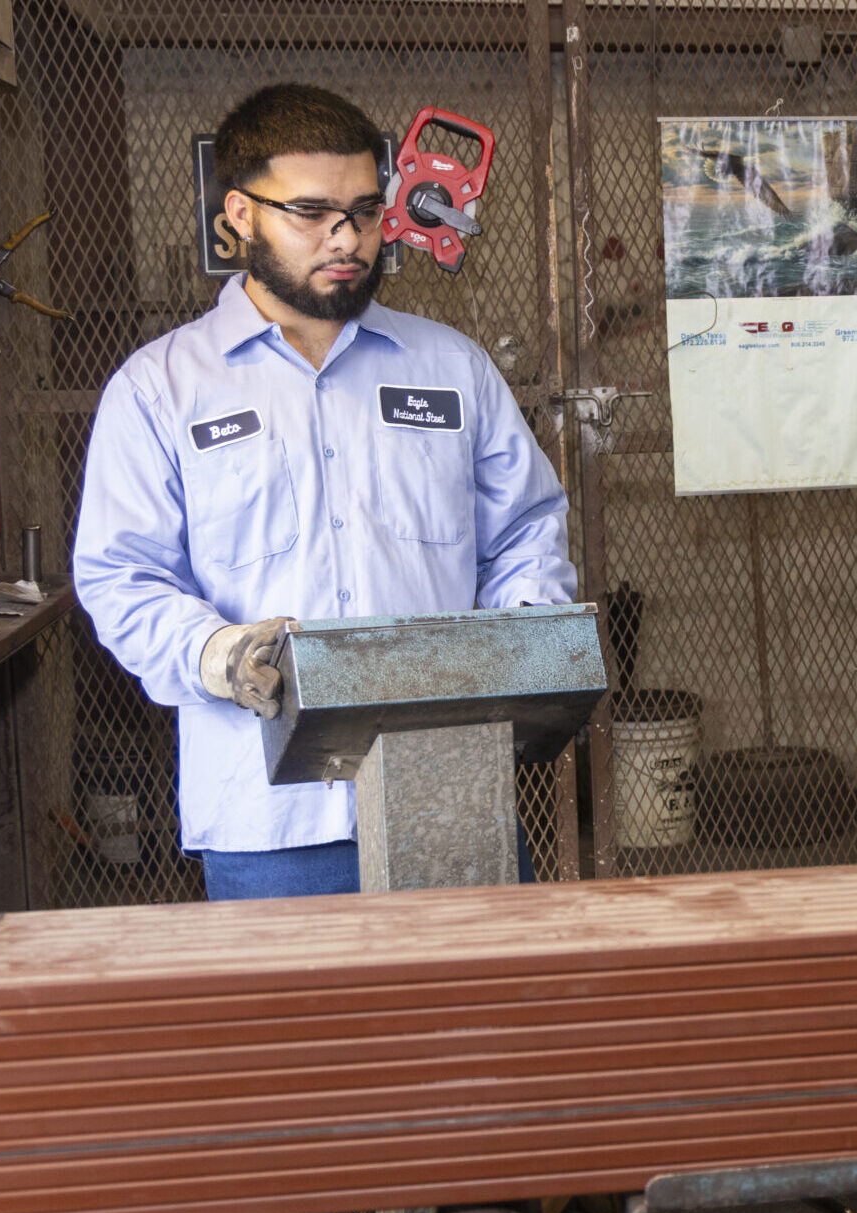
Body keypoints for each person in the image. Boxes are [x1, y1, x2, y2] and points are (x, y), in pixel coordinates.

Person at [75, 84, 574, 901]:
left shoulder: (452, 369)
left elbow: (524, 529)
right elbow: (120, 577)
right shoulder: (160, 389)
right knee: (302, 1033)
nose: (346, 240)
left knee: (481, 1028)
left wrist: (520, 642)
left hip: (447, 797)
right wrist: (218, 653)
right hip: (271, 821)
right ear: (240, 213)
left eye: (365, 212)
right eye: (311, 213)